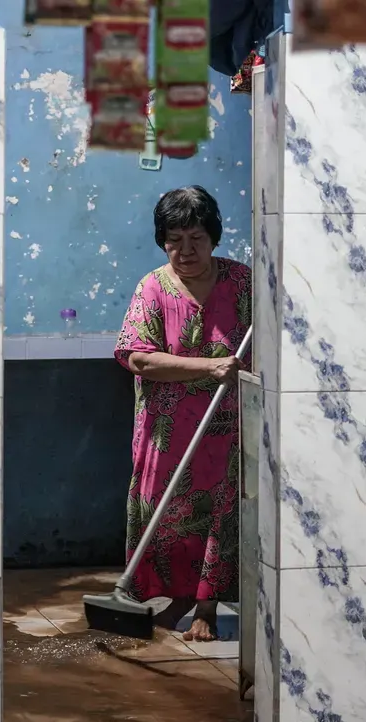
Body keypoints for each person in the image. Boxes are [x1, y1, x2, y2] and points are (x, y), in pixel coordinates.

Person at [113, 186, 251, 642]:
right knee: (165, 513)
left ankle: (206, 608)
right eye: (174, 239)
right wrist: (210, 366)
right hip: (165, 434)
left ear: (214, 237)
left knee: (219, 514)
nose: (185, 250)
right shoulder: (153, 287)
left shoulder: (243, 283)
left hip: (227, 432)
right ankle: (175, 599)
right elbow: (137, 357)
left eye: (196, 238)